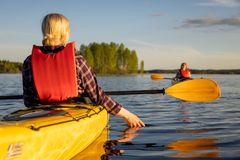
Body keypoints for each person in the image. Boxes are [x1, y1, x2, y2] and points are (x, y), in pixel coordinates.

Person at [22, 13, 145, 128]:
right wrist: (128, 115)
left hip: (42, 117)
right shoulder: (77, 60)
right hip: (75, 114)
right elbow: (97, 96)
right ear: (65, 33)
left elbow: (28, 101)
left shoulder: (29, 61)